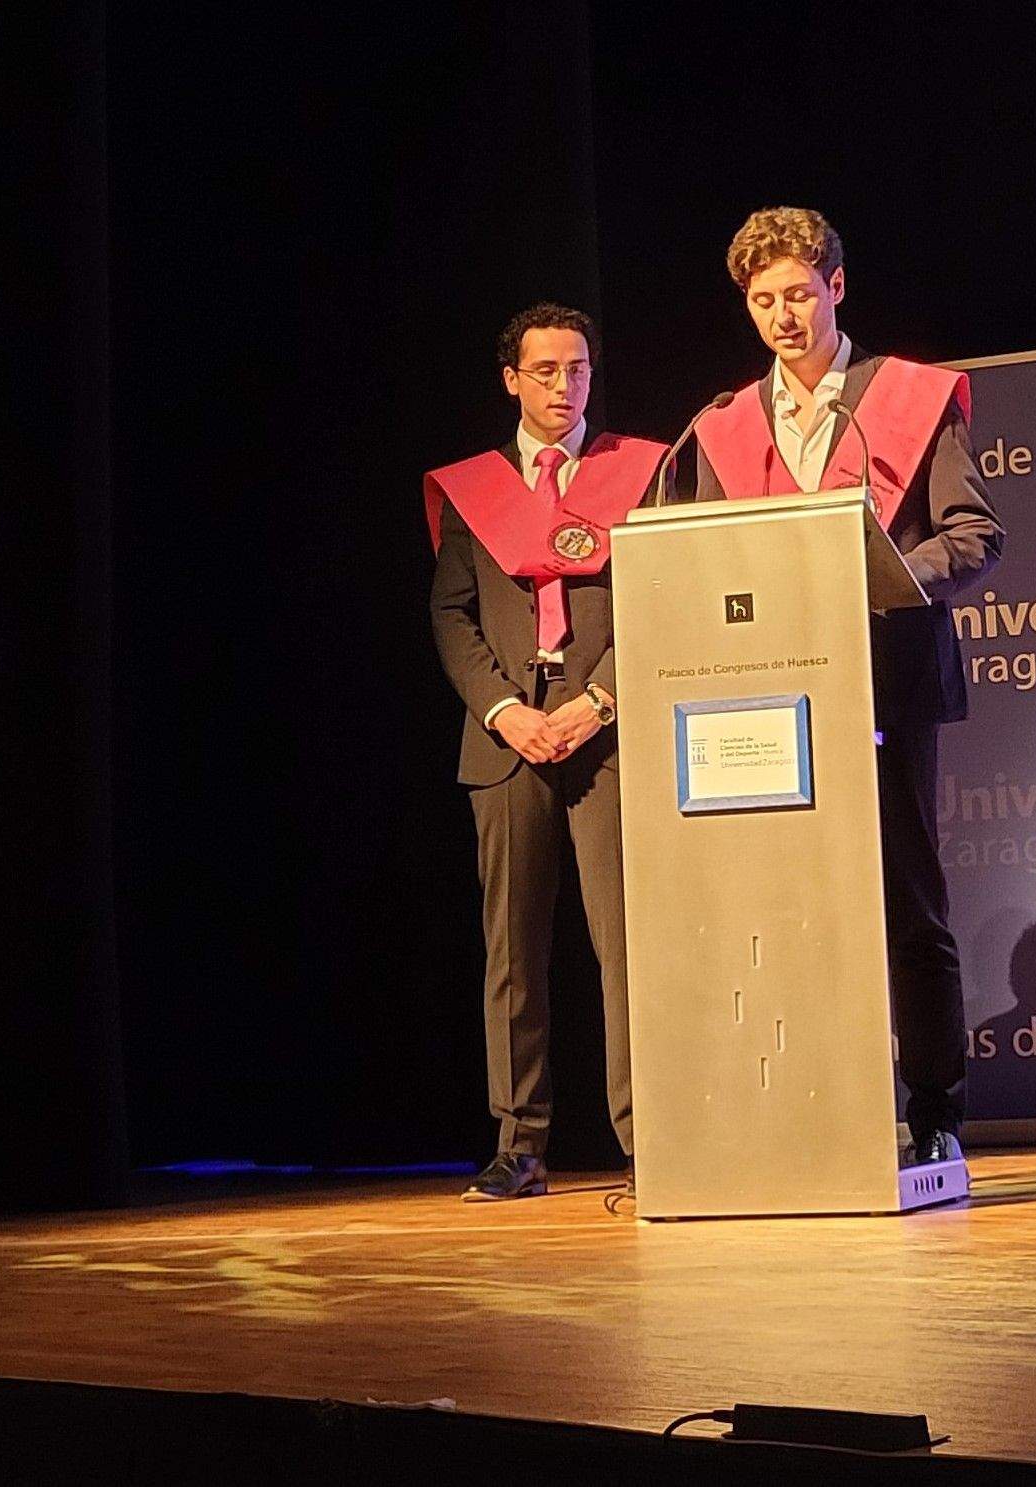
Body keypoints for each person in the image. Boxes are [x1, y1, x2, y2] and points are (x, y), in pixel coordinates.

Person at [663, 206, 1005, 1166]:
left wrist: (886, 574)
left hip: (886, 685)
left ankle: (935, 1110)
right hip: (764, 697)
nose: (784, 316)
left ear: (837, 288)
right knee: (784, 910)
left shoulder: (902, 399)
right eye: (764, 301)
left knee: (907, 905)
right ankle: (808, 1109)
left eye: (799, 295)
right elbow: (687, 554)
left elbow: (975, 536)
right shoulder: (719, 426)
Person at [426, 304, 659, 1200]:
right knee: (513, 951)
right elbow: (450, 612)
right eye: (547, 370)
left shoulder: (636, 473)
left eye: (579, 369)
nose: (565, 386)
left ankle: (647, 1139)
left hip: (606, 733)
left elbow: (658, 594)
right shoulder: (474, 490)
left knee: (627, 943)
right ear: (511, 379)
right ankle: (519, 1142)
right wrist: (499, 709)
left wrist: (600, 698)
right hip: (508, 741)